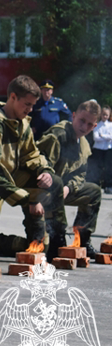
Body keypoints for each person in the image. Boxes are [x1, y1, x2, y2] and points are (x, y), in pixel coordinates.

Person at [0, 75, 64, 258]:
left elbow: (31, 154)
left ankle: (47, 239)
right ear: (12, 97)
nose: (30, 109)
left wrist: (45, 170)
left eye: (33, 105)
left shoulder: (23, 122)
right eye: (27, 104)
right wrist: (29, 200)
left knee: (53, 183)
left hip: (14, 178)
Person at [36, 100, 102, 256]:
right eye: (82, 120)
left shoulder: (85, 145)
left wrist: (68, 188)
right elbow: (40, 162)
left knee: (94, 192)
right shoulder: (58, 134)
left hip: (62, 191)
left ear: (95, 126)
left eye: (89, 124)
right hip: (43, 191)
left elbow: (80, 175)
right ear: (73, 116)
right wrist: (57, 188)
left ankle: (83, 240)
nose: (84, 127)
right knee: (44, 248)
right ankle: (2, 242)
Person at [89, 105, 112, 193]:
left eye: (106, 115)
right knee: (97, 167)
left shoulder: (111, 125)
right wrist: (106, 137)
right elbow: (96, 138)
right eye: (103, 114)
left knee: (109, 168)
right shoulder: (97, 125)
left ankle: (108, 185)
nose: (105, 116)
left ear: (109, 115)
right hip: (98, 149)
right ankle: (96, 184)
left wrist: (102, 135)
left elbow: (111, 137)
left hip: (108, 149)